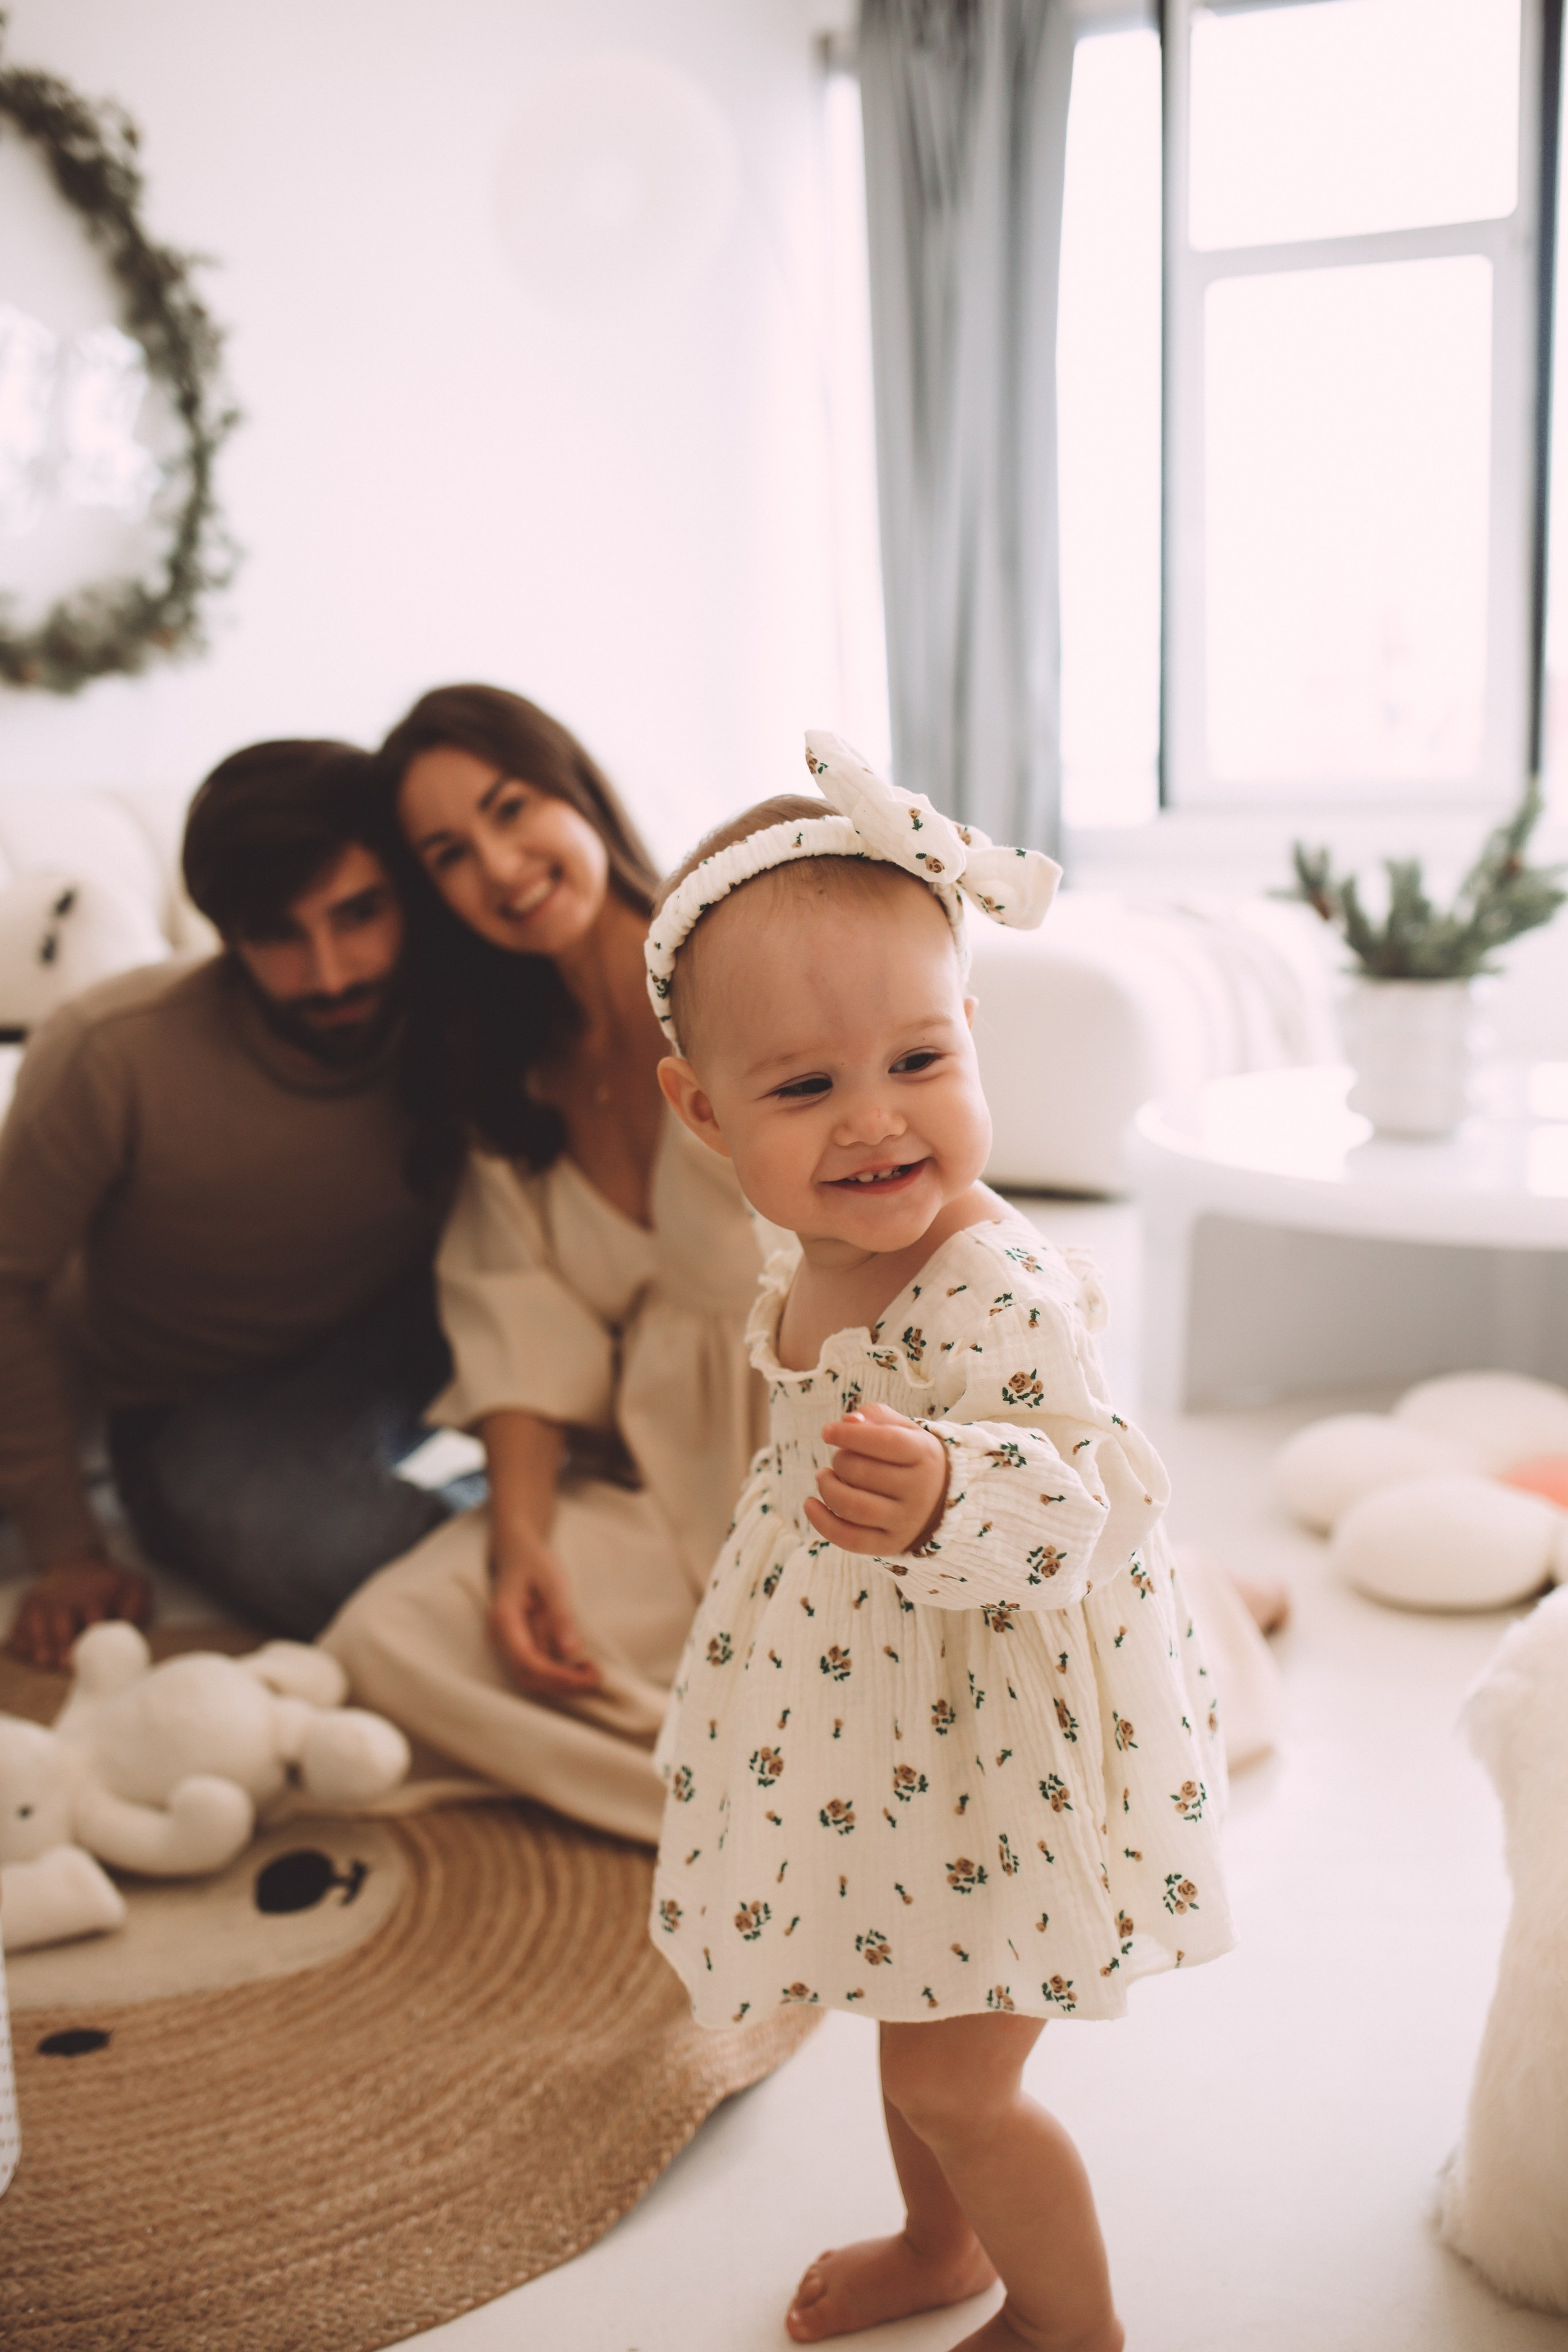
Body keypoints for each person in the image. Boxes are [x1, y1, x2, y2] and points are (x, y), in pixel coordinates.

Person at [645, 737, 1235, 2352]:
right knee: (897, 1989)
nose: (872, 1123)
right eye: (803, 1088)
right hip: (878, 1712)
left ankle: (1065, 2325)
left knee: (957, 2081)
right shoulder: (809, 1233)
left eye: (918, 1058)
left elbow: (1090, 1503)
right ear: (706, 1113)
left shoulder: (994, 1283)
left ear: (971, 1030)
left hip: (1001, 1728)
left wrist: (952, 1495)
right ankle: (938, 2245)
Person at [321, 685, 769, 1842]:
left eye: (512, 808)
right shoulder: (507, 1069)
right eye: (448, 855)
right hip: (657, 1491)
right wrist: (519, 1543)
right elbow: (519, 1323)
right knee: (391, 1639)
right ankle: (754, 1812)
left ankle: (784, 1809)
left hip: (833, 1475)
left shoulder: (748, 972)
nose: (501, 867)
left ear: (575, 787)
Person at [2, 740, 462, 1670]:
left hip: (430, 1312)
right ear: (225, 931)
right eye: (278, 934)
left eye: (359, 915)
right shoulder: (110, 1051)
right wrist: (67, 1549)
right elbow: (8, 1280)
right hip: (198, 1399)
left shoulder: (469, 1009)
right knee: (324, 1551)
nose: (329, 974)